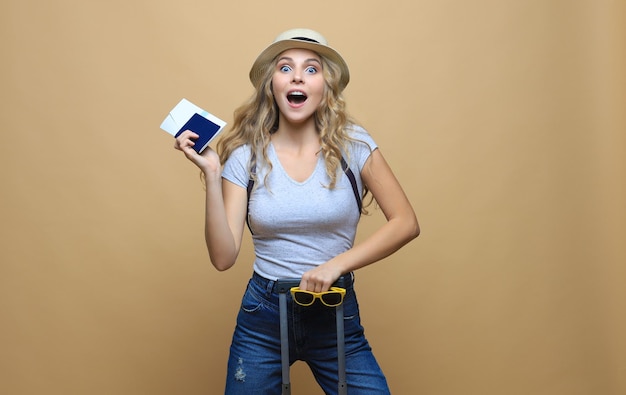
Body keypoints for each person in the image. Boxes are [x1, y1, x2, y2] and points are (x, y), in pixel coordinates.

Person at [175, 28, 419, 395]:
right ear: (272, 84)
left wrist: (337, 265)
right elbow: (223, 258)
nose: (297, 77)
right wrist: (212, 174)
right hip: (264, 317)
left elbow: (406, 222)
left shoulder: (355, 146)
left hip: (335, 310)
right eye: (285, 68)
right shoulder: (245, 156)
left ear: (325, 86)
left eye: (311, 69)